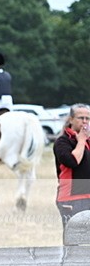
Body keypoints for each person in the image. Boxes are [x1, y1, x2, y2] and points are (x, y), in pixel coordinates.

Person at [53, 103, 90, 240]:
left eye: (87, 118)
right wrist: (81, 140)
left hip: (87, 196)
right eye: (81, 118)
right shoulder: (62, 142)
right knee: (75, 240)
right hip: (72, 199)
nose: (85, 121)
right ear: (71, 119)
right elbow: (72, 161)